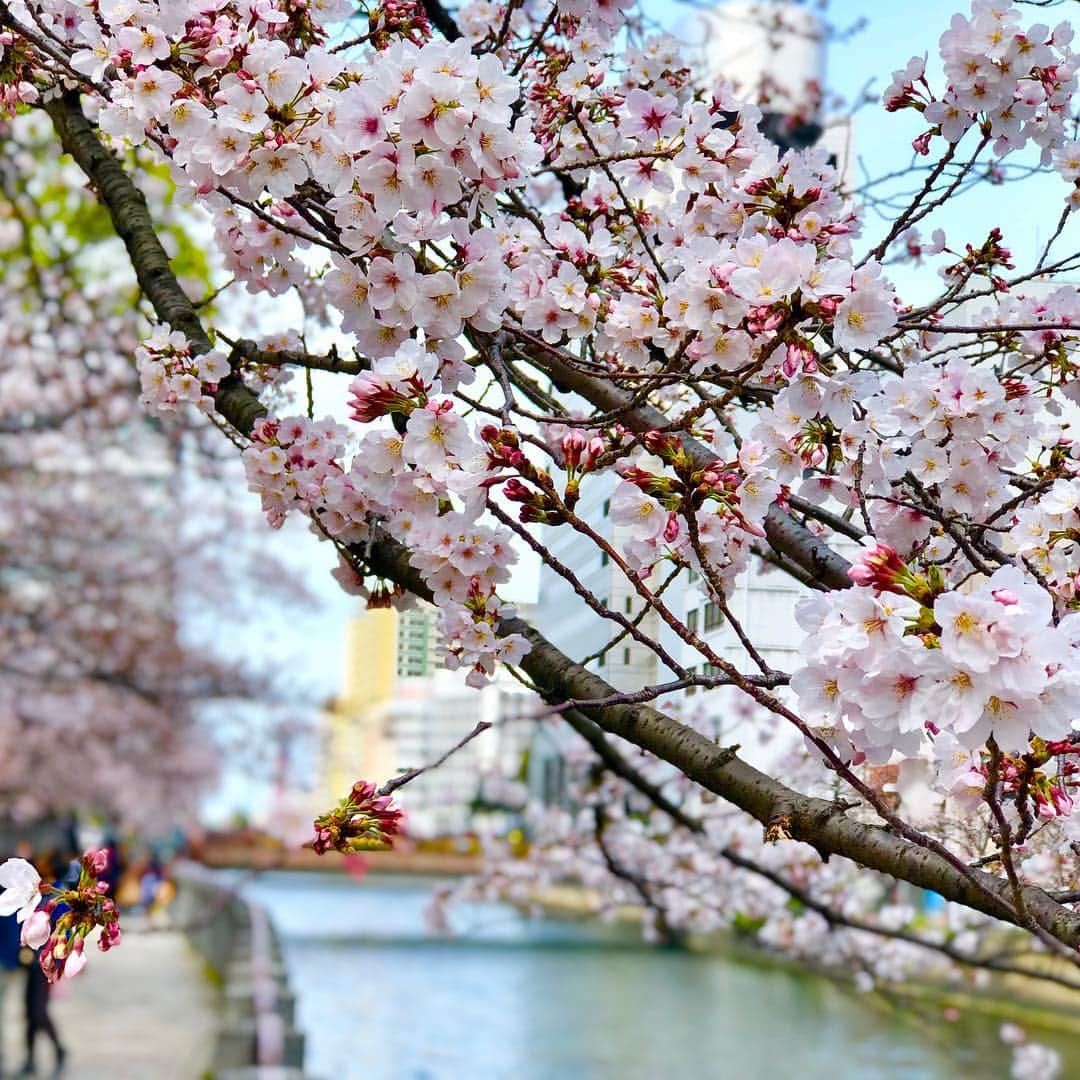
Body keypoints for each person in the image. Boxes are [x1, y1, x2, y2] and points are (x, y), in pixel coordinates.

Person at [18, 852, 66, 1077]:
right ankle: (30, 1059)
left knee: (38, 1012)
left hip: (45, 964)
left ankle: (59, 1051)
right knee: (29, 1012)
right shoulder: (37, 895)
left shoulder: (59, 897)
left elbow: (63, 931)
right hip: (30, 963)